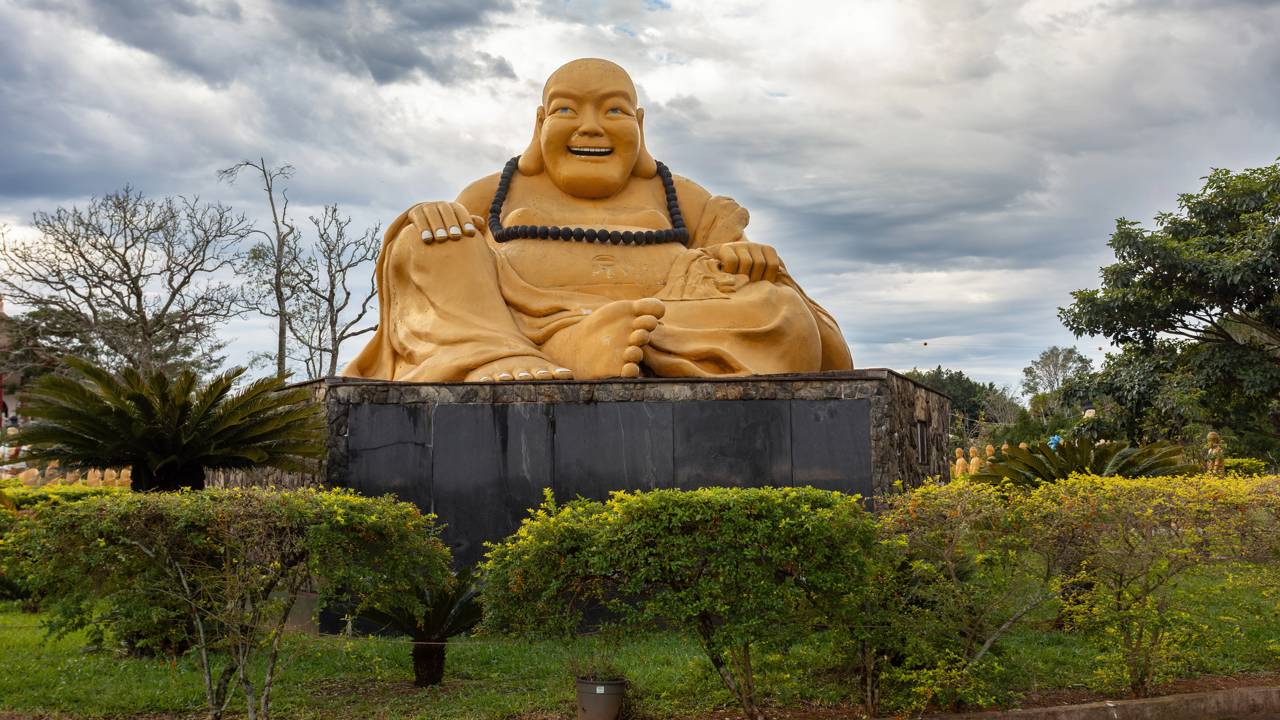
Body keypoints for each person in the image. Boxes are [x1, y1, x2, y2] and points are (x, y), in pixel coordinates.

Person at [344, 58, 853, 382]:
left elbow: (751, 274)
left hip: (658, 326)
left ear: (639, 124)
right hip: (519, 330)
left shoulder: (681, 196)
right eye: (568, 110)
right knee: (424, 238)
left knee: (778, 309)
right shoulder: (495, 191)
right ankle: (502, 354)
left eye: (613, 111)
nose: (591, 127)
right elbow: (443, 280)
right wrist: (432, 214)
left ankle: (596, 344)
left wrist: (751, 259)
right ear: (540, 122)